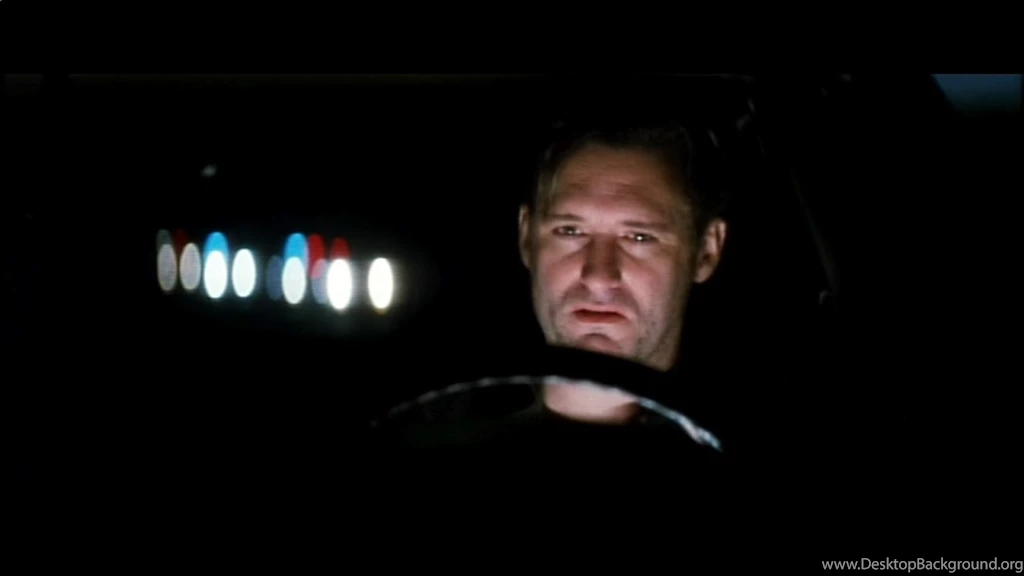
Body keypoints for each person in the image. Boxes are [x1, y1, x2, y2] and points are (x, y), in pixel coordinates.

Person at [517, 117, 729, 425]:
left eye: (639, 237)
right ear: (527, 238)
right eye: (570, 231)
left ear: (706, 251)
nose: (599, 278)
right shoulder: (448, 428)